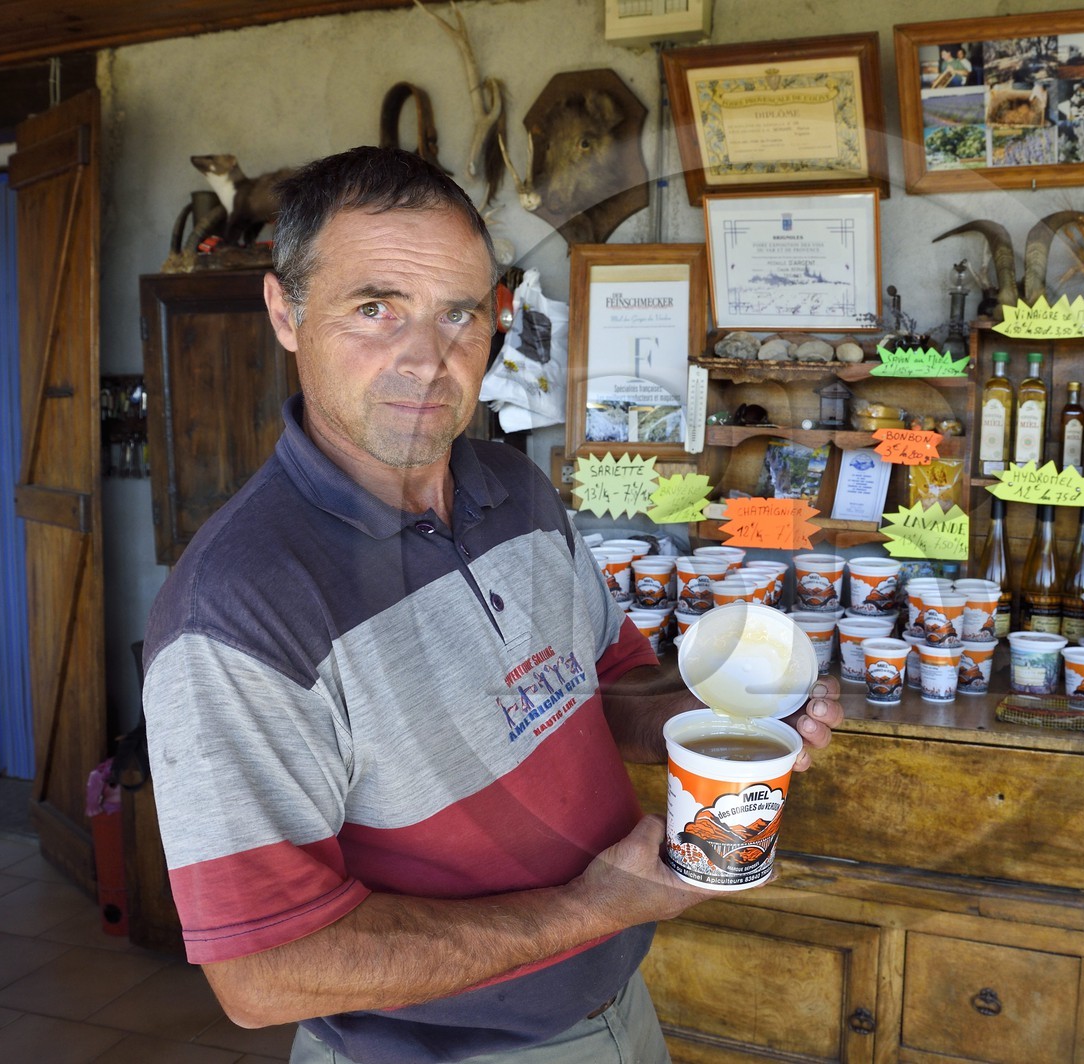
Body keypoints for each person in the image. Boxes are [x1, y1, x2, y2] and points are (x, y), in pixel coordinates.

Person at [141, 145, 844, 1064]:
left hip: (618, 1008)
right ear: (286, 309)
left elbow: (599, 686)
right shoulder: (238, 614)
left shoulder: (514, 489)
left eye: (459, 314)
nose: (427, 360)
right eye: (374, 308)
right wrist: (593, 909)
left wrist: (728, 714)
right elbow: (266, 972)